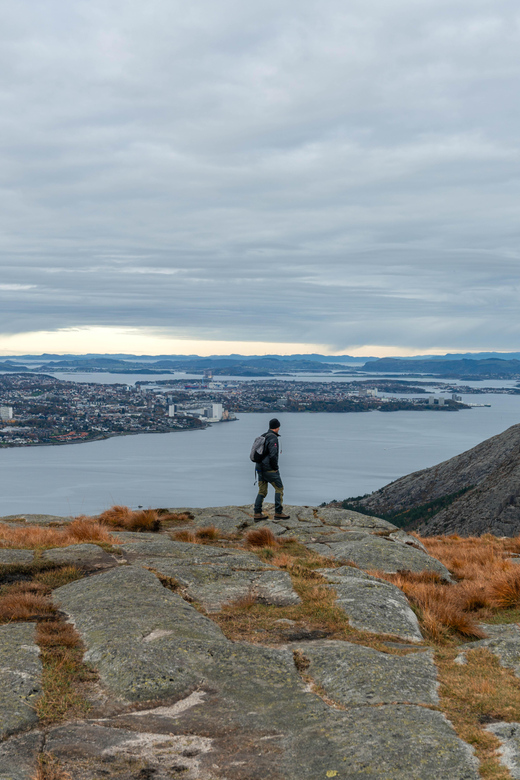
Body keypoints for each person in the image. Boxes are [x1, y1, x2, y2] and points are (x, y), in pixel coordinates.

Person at [253, 418, 290, 521]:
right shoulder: (273, 438)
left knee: (262, 491)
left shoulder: (263, 436)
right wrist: (275, 468)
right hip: (269, 469)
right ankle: (278, 512)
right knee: (279, 488)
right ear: (277, 427)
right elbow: (273, 455)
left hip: (259, 468)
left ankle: (257, 513)